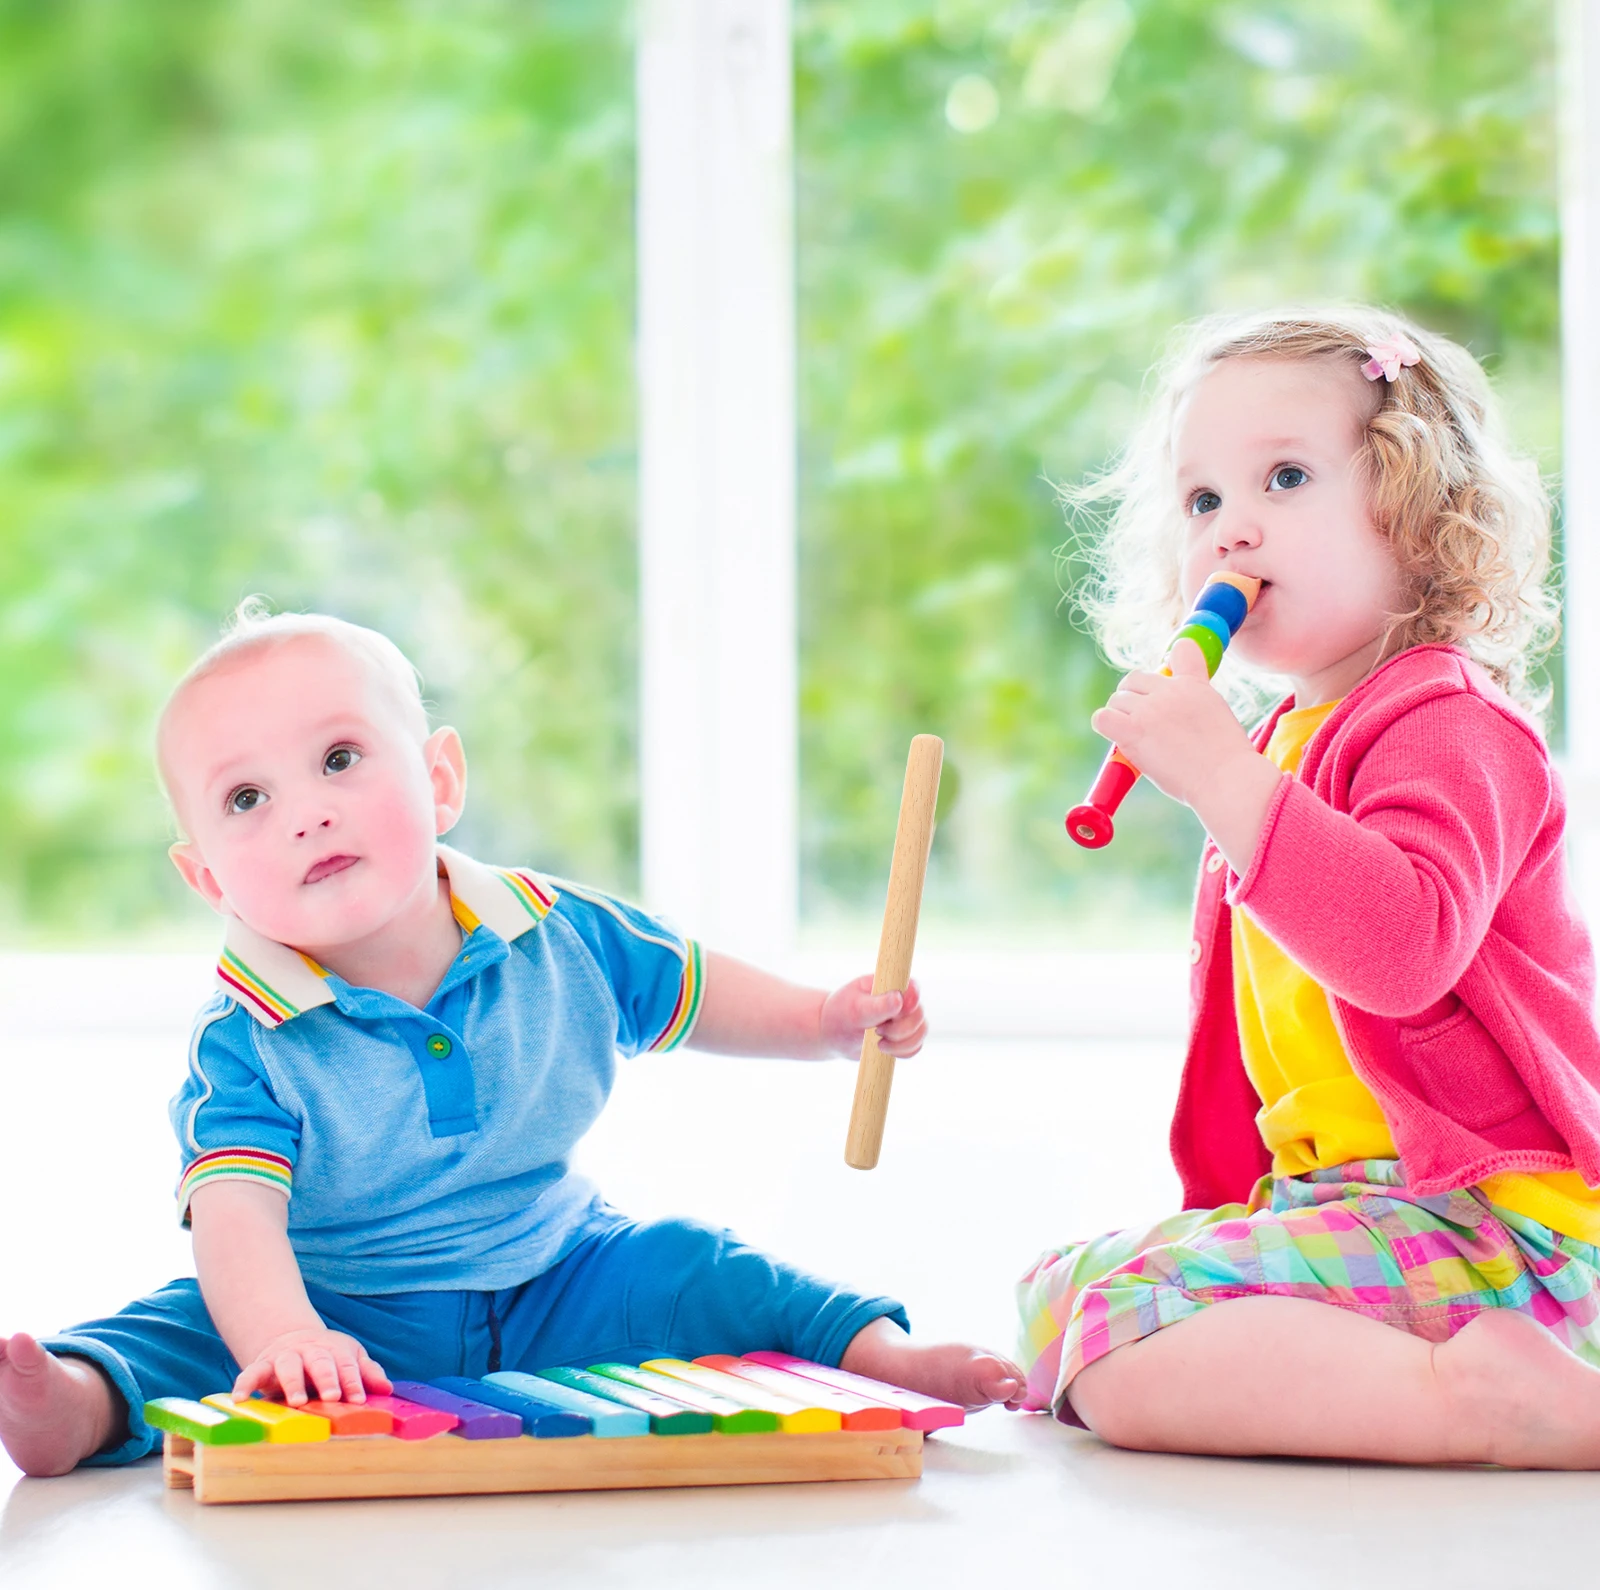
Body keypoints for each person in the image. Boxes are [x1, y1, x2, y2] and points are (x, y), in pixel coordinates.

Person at [1, 605, 1023, 1475]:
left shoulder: (556, 932)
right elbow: (236, 1223)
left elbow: (695, 988)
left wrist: (826, 1023)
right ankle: (76, 1404)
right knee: (181, 1332)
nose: (305, 813)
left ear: (440, 778)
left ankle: (884, 1352)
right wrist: (285, 1338)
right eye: (247, 799)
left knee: (708, 1269)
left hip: (557, 1273)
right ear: (209, 879)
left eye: (340, 759)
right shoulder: (248, 1035)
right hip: (339, 1306)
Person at [1017, 308, 1600, 1467]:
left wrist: (1224, 779)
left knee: (1119, 1340)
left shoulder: (1450, 720)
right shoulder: (1284, 740)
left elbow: (1400, 952)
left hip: (1506, 1225)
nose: (1231, 532)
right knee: (1057, 1300)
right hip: (1361, 1206)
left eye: (1282, 478)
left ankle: (1483, 1401)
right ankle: (1430, 1378)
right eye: (1202, 502)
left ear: (1418, 513)